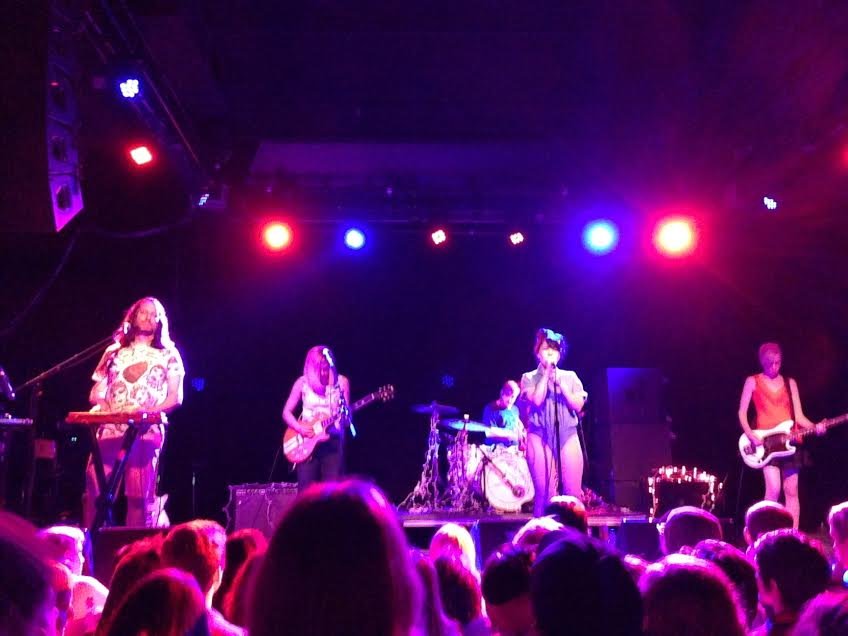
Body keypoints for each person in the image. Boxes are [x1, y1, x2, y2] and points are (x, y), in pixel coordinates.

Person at [85, 297, 185, 529]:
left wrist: (146, 412)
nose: (149, 317)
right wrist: (107, 408)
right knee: (95, 491)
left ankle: (135, 546)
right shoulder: (114, 351)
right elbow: (96, 392)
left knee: (139, 496)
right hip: (110, 429)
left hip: (145, 431)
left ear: (160, 322)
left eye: (155, 314)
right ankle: (94, 545)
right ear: (133, 316)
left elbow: (175, 398)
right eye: (144, 312)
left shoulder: (169, 354)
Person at [738, 342, 823, 528]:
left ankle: (792, 535)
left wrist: (815, 427)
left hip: (789, 442)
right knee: (774, 489)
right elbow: (742, 413)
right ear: (762, 362)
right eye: (770, 363)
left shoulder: (790, 383)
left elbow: (799, 416)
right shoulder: (753, 381)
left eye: (778, 362)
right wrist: (751, 435)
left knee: (791, 490)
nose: (774, 367)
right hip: (767, 445)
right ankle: (765, 532)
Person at [519, 329, 587, 516]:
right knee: (545, 495)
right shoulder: (529, 377)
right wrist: (546, 374)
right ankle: (542, 532)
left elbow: (577, 405)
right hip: (539, 435)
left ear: (559, 354)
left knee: (573, 495)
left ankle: (574, 532)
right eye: (545, 348)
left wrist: (561, 384)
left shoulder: (570, 376)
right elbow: (537, 400)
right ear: (538, 353)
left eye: (554, 349)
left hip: (568, 434)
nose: (550, 352)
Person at [282, 345, 351, 490]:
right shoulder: (302, 383)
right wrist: (299, 428)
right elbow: (286, 412)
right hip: (307, 442)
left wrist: (346, 419)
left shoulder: (341, 383)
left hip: (332, 443)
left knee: (333, 493)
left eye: (326, 368)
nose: (324, 373)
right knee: (306, 492)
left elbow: (346, 420)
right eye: (320, 369)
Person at [481, 380, 526, 447]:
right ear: (502, 393)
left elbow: (518, 426)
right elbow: (489, 432)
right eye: (508, 395)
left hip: (514, 450)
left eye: (513, 397)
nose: (510, 400)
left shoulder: (515, 409)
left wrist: (522, 435)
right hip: (496, 450)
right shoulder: (490, 408)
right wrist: (511, 434)